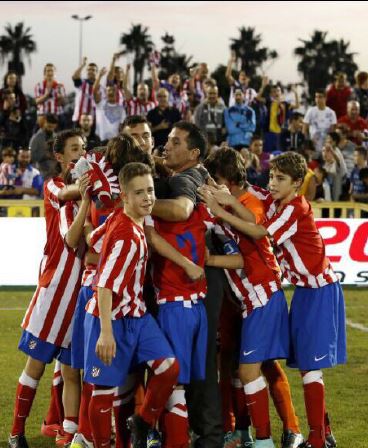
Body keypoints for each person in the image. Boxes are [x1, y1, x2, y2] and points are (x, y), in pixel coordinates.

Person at [203, 151, 345, 448]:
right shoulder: (276, 202)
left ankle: (316, 439)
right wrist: (226, 200)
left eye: (280, 179)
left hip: (319, 288)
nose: (273, 183)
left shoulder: (295, 207)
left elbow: (260, 231)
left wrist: (222, 208)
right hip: (304, 291)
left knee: (308, 366)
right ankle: (321, 432)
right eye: (271, 176)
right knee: (304, 365)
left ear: (297, 184)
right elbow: (254, 205)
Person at [200, 147, 303, 448]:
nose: (208, 186)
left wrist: (211, 258)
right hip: (245, 300)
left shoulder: (249, 202)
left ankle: (274, 436)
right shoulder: (233, 201)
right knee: (246, 364)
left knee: (255, 368)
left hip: (261, 295)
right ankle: (253, 433)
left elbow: (254, 242)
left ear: (228, 181)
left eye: (213, 179)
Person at [83, 162, 179, 448]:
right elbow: (104, 284)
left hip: (138, 316)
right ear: (124, 196)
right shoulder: (127, 236)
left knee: (168, 368)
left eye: (150, 190)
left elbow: (93, 242)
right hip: (111, 320)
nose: (148, 197)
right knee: (103, 390)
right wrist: (106, 332)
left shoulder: (118, 217)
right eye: (139, 193)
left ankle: (142, 422)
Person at [8, 129, 91, 448]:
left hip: (80, 292)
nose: (80, 153)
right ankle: (16, 432)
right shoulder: (54, 186)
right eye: (74, 149)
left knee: (72, 370)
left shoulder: (88, 190)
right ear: (59, 156)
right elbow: (71, 235)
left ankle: (69, 431)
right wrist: (85, 192)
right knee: (36, 364)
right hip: (54, 290)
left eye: (83, 148)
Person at [93, 67, 126, 143]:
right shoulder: (100, 104)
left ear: (116, 92)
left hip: (114, 142)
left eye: (113, 90)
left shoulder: (121, 109)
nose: (111, 92)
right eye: (109, 90)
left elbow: (122, 127)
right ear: (106, 93)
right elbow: (94, 91)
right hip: (99, 141)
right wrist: (99, 76)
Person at [34, 64, 66, 128]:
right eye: (48, 71)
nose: (50, 73)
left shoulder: (60, 86)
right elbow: (36, 102)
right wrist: (46, 95)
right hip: (43, 115)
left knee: (62, 135)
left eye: (52, 71)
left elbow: (63, 103)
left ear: (55, 72)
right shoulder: (39, 85)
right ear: (44, 73)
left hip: (57, 114)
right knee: (36, 135)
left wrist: (61, 97)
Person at [29, 113, 58, 178]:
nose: (51, 129)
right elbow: (31, 157)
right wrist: (45, 155)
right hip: (40, 171)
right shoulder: (36, 138)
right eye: (49, 127)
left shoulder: (56, 137)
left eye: (53, 127)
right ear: (44, 123)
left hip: (54, 171)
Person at [71, 57, 98, 125]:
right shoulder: (82, 83)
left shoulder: (99, 86)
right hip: (79, 117)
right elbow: (74, 76)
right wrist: (83, 65)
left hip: (92, 119)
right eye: (89, 70)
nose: (90, 71)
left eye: (93, 70)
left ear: (96, 72)